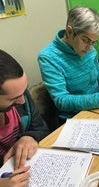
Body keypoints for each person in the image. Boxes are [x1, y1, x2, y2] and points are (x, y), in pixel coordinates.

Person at [38, 6, 99, 124]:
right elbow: (62, 100)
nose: (90, 47)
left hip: (98, 108)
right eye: (86, 40)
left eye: (93, 42)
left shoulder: (89, 48)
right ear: (70, 31)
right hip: (75, 118)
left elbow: (97, 70)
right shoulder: (48, 57)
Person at [0, 49, 50, 186]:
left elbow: (41, 128)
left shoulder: (20, 94)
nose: (23, 101)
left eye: (24, 91)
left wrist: (29, 137)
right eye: (14, 98)